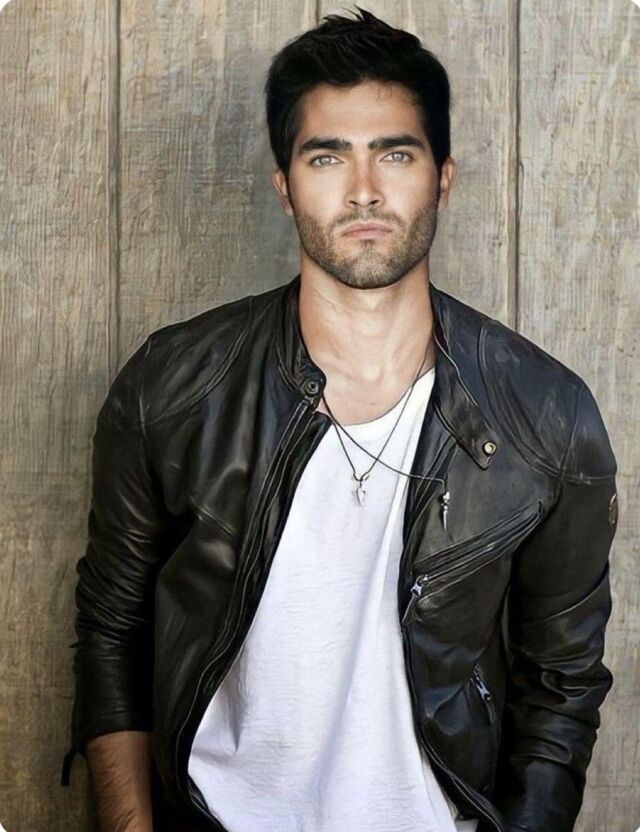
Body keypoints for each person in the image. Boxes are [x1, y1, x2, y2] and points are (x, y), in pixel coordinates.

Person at [61, 7, 619, 832]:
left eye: (395, 153)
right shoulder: (172, 386)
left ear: (443, 177)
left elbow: (561, 685)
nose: (364, 191)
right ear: (285, 186)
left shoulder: (548, 417)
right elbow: (114, 628)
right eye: (327, 157)